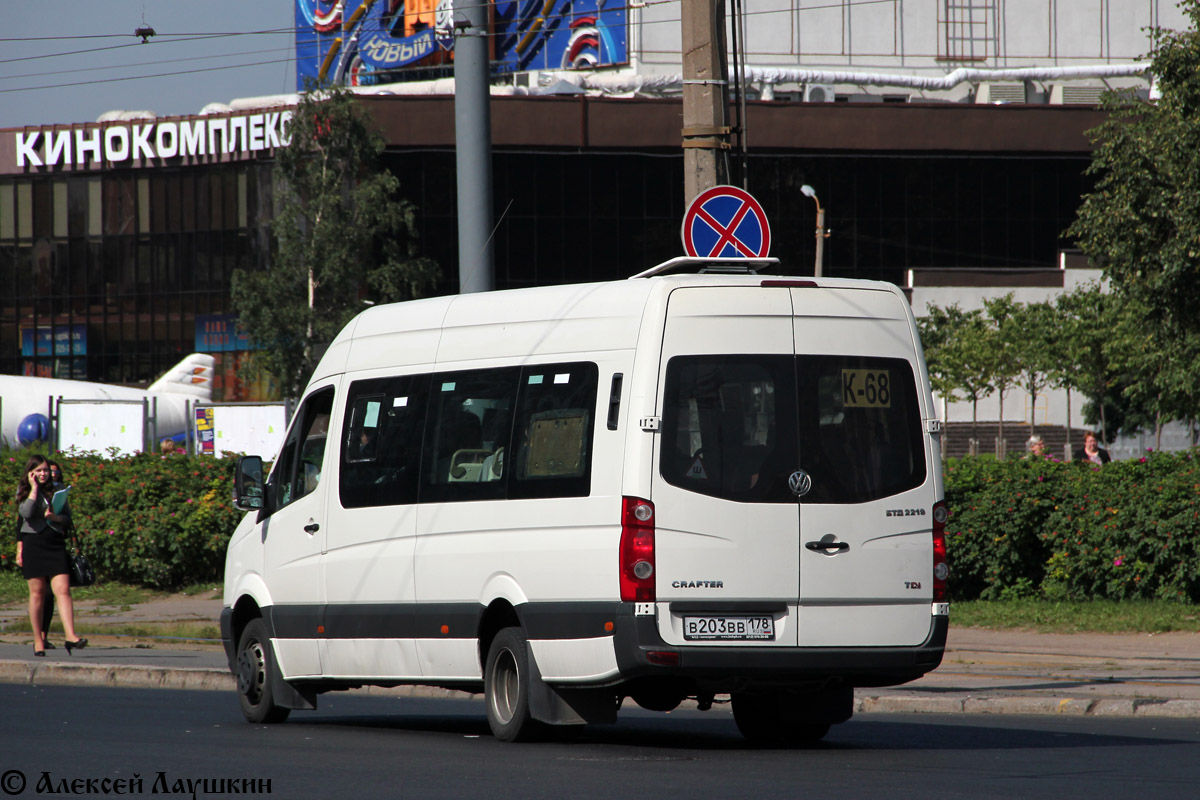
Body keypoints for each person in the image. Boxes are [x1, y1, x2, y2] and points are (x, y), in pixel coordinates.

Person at [15, 455, 87, 657]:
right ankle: (38, 640)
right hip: (34, 545)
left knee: (63, 589)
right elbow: (26, 514)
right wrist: (34, 489)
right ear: (31, 472)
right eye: (38, 470)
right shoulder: (24, 490)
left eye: (45, 470)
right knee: (37, 593)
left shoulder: (57, 490)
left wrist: (55, 517)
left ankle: (71, 636)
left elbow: (67, 519)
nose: (43, 474)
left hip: (54, 544)